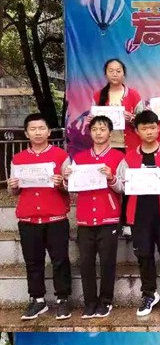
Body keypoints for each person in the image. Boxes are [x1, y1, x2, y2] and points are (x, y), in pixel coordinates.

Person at [8, 112, 71, 321]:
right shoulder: (18, 159)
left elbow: (71, 187)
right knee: (33, 261)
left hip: (55, 218)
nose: (38, 132)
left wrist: (61, 183)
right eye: (33, 129)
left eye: (41, 128)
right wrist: (12, 186)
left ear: (49, 132)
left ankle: (63, 299)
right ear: (26, 133)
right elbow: (14, 191)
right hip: (28, 218)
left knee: (60, 260)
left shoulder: (61, 156)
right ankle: (37, 299)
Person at [63, 114, 122, 319]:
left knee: (107, 262)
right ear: (89, 133)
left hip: (108, 217)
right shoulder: (79, 158)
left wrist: (111, 177)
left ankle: (105, 302)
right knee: (86, 262)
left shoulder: (118, 157)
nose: (98, 133)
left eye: (103, 129)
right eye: (95, 129)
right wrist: (66, 179)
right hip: (85, 217)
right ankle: (90, 303)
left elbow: (123, 187)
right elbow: (71, 188)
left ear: (110, 133)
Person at [123, 109, 160, 318]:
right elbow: (120, 185)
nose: (149, 132)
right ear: (137, 131)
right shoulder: (129, 157)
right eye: (144, 128)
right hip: (139, 214)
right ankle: (149, 293)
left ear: (158, 129)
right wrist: (119, 181)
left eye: (152, 128)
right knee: (144, 255)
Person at [92, 57, 141, 155]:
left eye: (118, 71)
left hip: (129, 144)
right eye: (111, 71)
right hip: (106, 145)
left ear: (124, 74)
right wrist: (91, 119)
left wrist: (132, 118)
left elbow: (143, 120)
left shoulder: (133, 95)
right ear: (105, 74)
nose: (114, 74)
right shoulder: (98, 95)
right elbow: (94, 123)